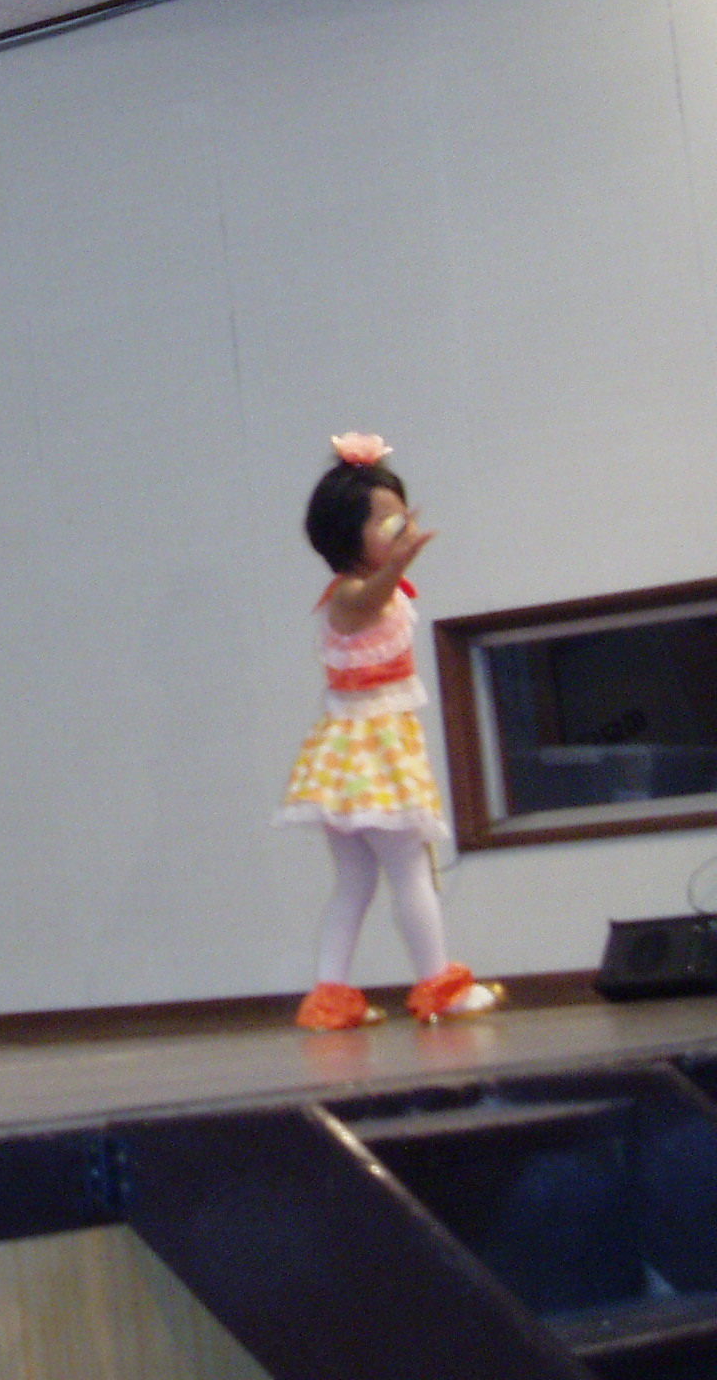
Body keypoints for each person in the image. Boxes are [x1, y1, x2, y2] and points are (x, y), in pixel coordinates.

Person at [279, 434, 502, 1030]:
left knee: (356, 881)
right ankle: (439, 987)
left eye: (400, 517)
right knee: (408, 872)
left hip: (354, 758)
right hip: (371, 756)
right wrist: (400, 561)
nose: (400, 529)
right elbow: (370, 599)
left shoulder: (370, 591)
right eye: (385, 522)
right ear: (345, 534)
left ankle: (330, 994)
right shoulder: (350, 596)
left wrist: (397, 560)